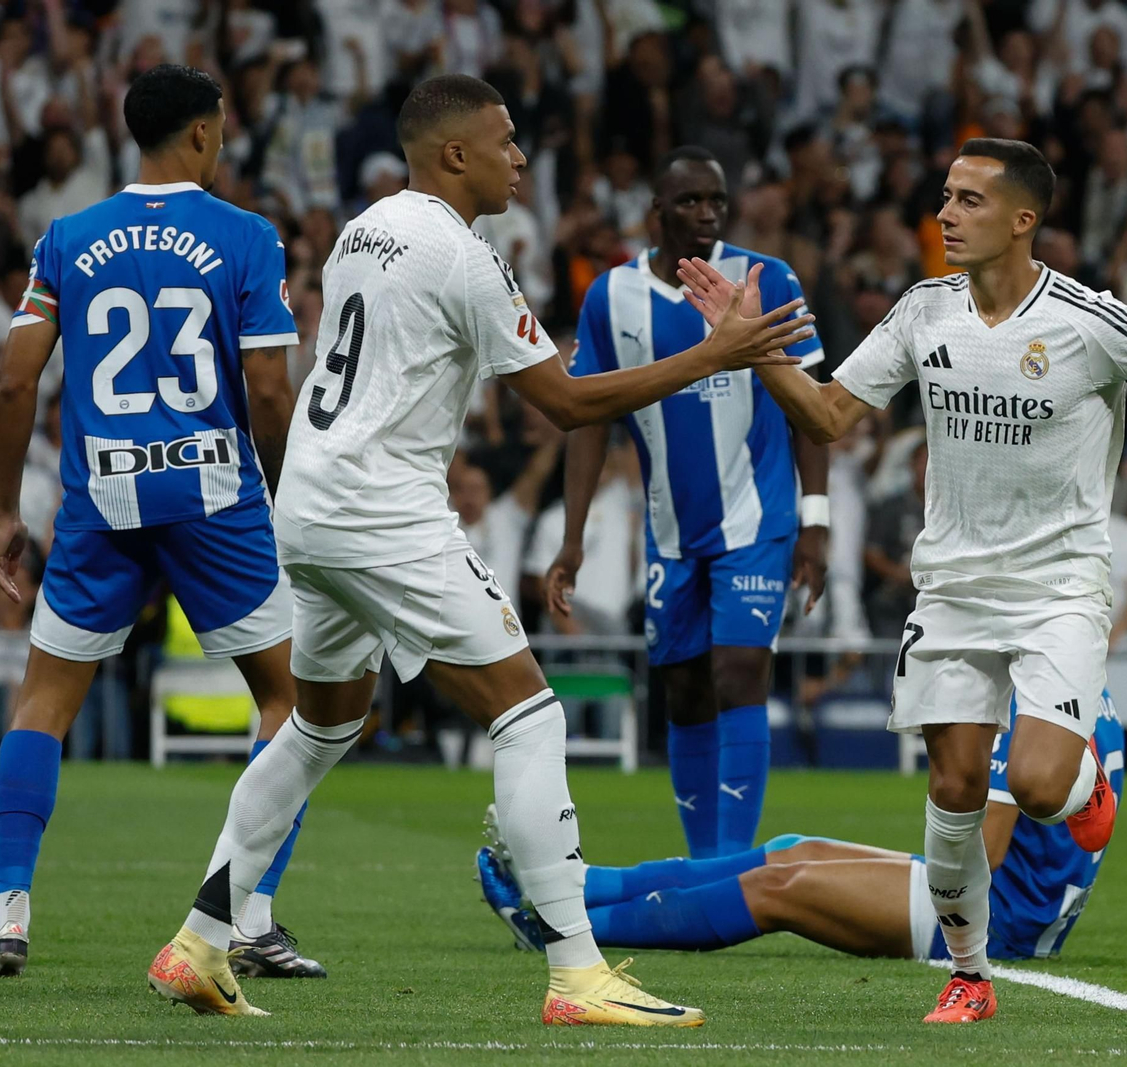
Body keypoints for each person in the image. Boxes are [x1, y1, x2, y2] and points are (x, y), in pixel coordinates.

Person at [150, 74, 814, 1023]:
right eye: (504, 141)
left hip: (310, 499)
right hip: (383, 509)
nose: (520, 157)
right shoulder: (463, 256)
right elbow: (567, 404)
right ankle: (578, 974)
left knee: (318, 728)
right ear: (454, 154)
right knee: (529, 716)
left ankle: (198, 941)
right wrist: (716, 354)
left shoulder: (364, 228)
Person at [675, 138, 1127, 1024]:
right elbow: (828, 416)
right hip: (953, 589)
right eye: (946, 196)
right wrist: (753, 350)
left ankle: (1085, 788)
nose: (946, 214)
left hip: (1058, 587)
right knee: (954, 791)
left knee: (1033, 783)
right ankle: (971, 974)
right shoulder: (924, 310)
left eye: (969, 200)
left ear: (1024, 219)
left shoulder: (1091, 322)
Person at [0, 65, 325, 981]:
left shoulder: (67, 237)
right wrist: (292, 499)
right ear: (200, 133)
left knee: (43, 704)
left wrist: (6, 509)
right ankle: (247, 917)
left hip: (103, 497)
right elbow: (269, 393)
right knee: (294, 702)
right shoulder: (247, 236)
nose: (225, 140)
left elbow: (14, 381)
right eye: (222, 127)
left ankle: (7, 916)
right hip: (215, 497)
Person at [546, 144, 827, 862]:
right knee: (685, 690)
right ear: (657, 211)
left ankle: (731, 865)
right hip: (669, 529)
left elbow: (811, 408)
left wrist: (816, 519)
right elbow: (587, 420)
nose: (707, 213)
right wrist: (573, 538)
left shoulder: (765, 279)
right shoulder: (610, 297)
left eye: (716, 201)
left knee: (738, 672)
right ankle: (705, 864)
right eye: (691, 201)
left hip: (759, 517)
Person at [479, 692, 1124, 962]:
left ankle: (562, 929)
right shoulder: (1074, 684)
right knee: (791, 851)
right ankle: (582, 884)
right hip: (1022, 902)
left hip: (997, 919)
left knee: (781, 889)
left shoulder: (1023, 698)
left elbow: (984, 851)